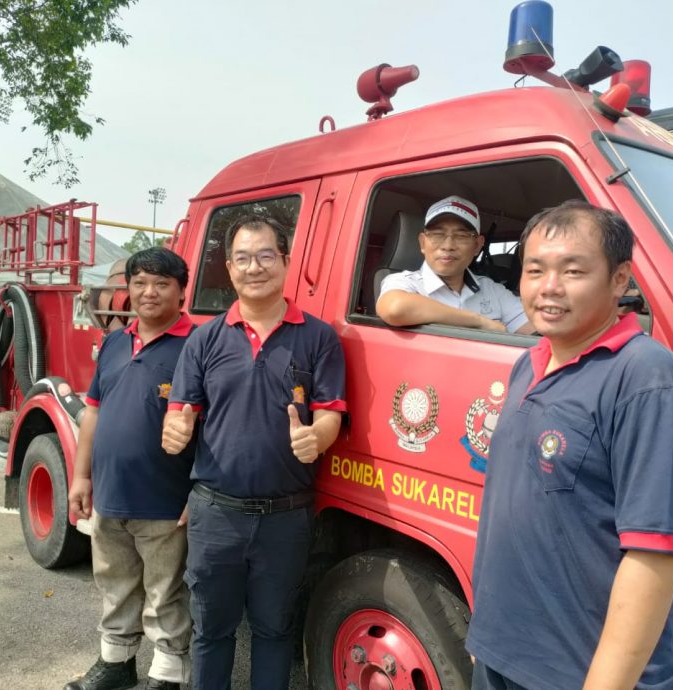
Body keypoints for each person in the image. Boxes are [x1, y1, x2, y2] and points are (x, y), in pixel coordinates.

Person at [466, 201, 673, 690]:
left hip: (582, 673)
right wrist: (486, 638)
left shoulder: (647, 380)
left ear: (620, 280)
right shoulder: (530, 362)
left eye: (573, 270)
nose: (548, 287)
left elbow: (655, 555)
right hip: (503, 656)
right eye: (534, 270)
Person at [162, 215, 347, 690]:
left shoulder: (318, 337)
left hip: (286, 518)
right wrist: (175, 427)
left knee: (274, 630)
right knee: (212, 631)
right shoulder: (205, 338)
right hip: (216, 515)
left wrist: (319, 436)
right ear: (228, 267)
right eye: (243, 258)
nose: (254, 267)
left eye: (266, 256)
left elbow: (330, 412)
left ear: (285, 261)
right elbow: (181, 409)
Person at [66, 248, 196, 690]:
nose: (148, 292)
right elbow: (93, 414)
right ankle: (116, 664)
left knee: (165, 591)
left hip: (166, 499)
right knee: (114, 582)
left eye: (161, 283)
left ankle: (167, 673)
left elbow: (214, 426)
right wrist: (82, 477)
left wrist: (199, 491)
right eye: (139, 282)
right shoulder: (117, 342)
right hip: (110, 492)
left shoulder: (198, 346)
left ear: (182, 290)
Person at [376, 195, 535, 333]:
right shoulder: (405, 283)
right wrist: (480, 322)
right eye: (438, 234)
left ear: (477, 246)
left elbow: (534, 329)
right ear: (423, 243)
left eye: (461, 236)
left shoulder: (490, 289)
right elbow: (395, 308)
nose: (448, 245)